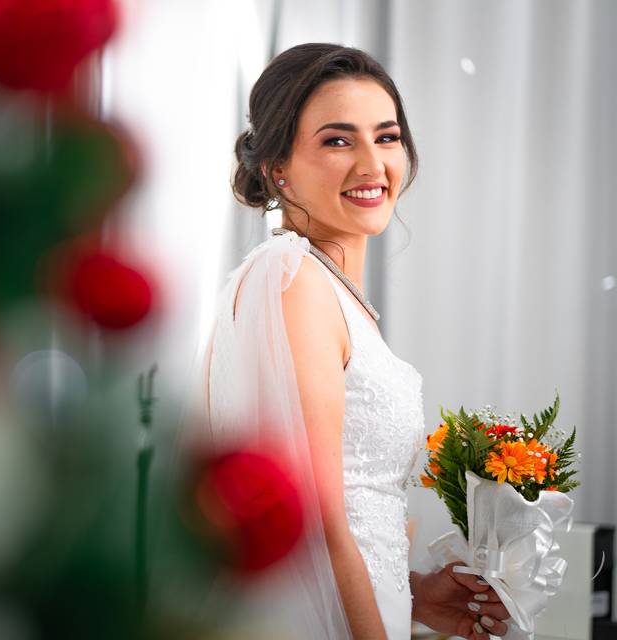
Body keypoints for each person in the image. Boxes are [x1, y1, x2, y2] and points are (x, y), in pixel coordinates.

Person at [196, 43, 514, 639]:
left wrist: (414, 595)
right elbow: (318, 520)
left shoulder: (328, 290)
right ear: (277, 169)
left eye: (387, 137)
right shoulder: (292, 279)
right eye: (338, 140)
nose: (372, 165)